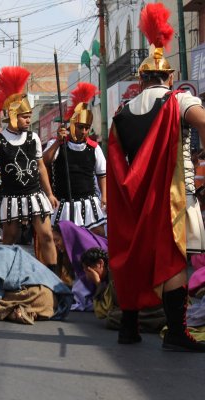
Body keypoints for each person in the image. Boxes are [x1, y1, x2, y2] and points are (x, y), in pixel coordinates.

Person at [108, 3, 205, 351]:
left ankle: (129, 327)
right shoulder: (179, 101)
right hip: (173, 195)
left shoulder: (122, 110)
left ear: (141, 78)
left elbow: (117, 161)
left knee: (137, 258)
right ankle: (177, 334)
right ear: (170, 75)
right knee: (174, 258)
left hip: (135, 198)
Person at [0, 66, 58, 267]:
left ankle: (53, 278)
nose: (29, 120)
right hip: (11, 196)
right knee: (9, 241)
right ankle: (5, 276)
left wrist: (49, 194)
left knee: (47, 236)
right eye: (25, 116)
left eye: (30, 115)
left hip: (35, 194)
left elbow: (41, 167)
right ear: (13, 115)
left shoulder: (34, 139)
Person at [43, 83, 107, 236]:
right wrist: (58, 141)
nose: (84, 131)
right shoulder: (57, 144)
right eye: (80, 127)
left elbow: (102, 174)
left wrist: (104, 196)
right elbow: (44, 162)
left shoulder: (94, 147)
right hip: (63, 204)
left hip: (89, 204)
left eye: (87, 127)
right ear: (72, 125)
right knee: (61, 242)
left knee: (98, 237)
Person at [0, 245, 73, 324]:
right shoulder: (17, 254)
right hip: (52, 302)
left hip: (34, 295)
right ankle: (31, 312)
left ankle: (13, 312)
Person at [80, 248, 166, 335]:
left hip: (152, 307)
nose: (87, 275)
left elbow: (103, 311)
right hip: (147, 305)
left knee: (113, 318)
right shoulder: (110, 274)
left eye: (87, 270)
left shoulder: (113, 273)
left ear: (100, 264)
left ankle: (157, 322)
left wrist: (98, 283)